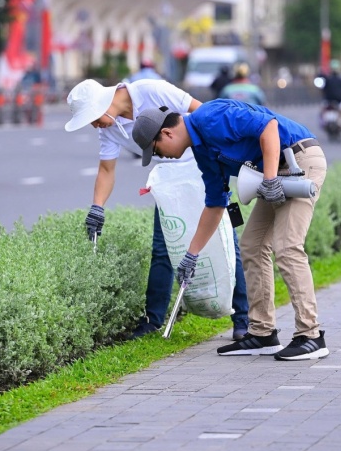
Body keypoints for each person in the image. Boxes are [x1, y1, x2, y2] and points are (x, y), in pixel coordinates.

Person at [131, 100, 328, 361]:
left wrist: (269, 179)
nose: (160, 155)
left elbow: (269, 127)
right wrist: (192, 255)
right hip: (274, 169)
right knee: (252, 246)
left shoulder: (210, 116)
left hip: (299, 159)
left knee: (287, 247)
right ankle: (262, 333)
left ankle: (311, 335)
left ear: (167, 133)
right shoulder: (201, 152)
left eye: (156, 149)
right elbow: (215, 203)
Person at [64, 78, 250, 341]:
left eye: (92, 119)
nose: (94, 125)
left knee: (226, 241)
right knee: (163, 247)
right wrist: (97, 207)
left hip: (203, 166)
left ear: (101, 104)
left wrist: (220, 161)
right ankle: (153, 321)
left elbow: (203, 112)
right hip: (168, 179)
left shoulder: (152, 90)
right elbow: (107, 170)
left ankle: (242, 319)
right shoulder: (108, 128)